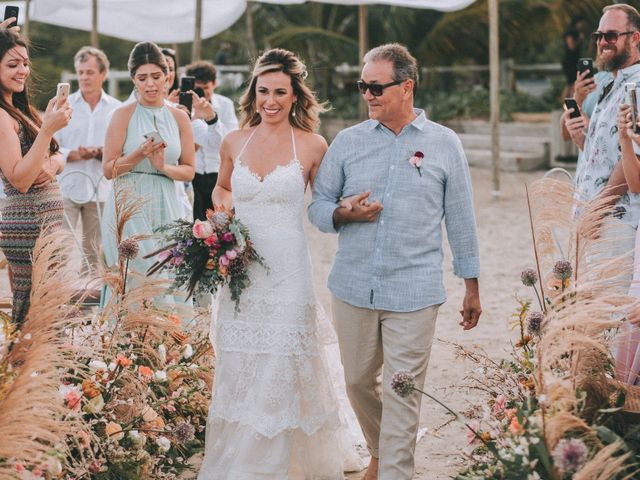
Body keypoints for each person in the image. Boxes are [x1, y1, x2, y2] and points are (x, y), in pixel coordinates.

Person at [308, 43, 482, 480]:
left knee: (403, 391)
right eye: (362, 85)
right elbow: (317, 207)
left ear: (407, 87)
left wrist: (471, 285)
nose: (367, 94)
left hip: (416, 291)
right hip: (352, 286)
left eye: (376, 86)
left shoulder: (444, 144)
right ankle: (380, 452)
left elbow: (461, 219)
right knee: (356, 382)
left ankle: (395, 472)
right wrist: (342, 213)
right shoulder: (347, 142)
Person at [198, 48, 364, 479]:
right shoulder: (235, 140)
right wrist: (222, 219)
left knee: (284, 355)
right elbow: (220, 190)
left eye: (280, 92)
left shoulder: (312, 144)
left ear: (295, 97)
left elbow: (325, 201)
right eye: (263, 91)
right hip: (241, 266)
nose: (270, 100)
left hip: (290, 267)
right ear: (253, 94)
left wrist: (350, 207)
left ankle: (284, 459)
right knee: (244, 356)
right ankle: (246, 457)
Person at [101, 42, 195, 294]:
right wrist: (137, 154)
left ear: (167, 77)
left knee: (167, 279)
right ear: (134, 79)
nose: (150, 84)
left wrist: (163, 166)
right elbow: (108, 170)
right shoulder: (122, 115)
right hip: (129, 202)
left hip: (167, 202)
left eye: (156, 76)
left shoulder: (180, 117)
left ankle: (167, 333)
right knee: (135, 278)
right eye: (143, 78)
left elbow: (189, 170)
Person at [564, 3, 640, 293]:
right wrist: (581, 138)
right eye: (599, 35)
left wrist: (596, 209)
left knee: (609, 322)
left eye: (611, 35)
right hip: (594, 221)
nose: (602, 42)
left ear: (635, 38)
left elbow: (632, 157)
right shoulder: (612, 85)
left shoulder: (637, 88)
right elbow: (605, 157)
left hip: (615, 223)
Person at [0, 26, 72, 326]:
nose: (22, 71)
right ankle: (25, 368)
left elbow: (56, 156)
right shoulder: (1, 115)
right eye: (12, 64)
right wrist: (47, 129)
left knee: (48, 309)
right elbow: (19, 177)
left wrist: (52, 162)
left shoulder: (20, 109)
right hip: (28, 224)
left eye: (25, 63)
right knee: (33, 313)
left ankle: (37, 370)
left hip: (44, 221)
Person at [54, 46, 121, 273]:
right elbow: (51, 146)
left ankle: (89, 305)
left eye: (90, 72)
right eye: (80, 72)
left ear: (103, 74)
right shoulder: (63, 106)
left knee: (93, 254)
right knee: (58, 251)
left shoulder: (117, 110)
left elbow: (122, 148)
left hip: (100, 188)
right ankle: (57, 303)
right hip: (66, 188)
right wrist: (74, 154)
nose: (84, 77)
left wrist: (103, 152)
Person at [183, 60, 238, 221]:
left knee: (220, 224)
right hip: (194, 175)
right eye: (198, 88)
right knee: (195, 224)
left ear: (214, 83)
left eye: (205, 88)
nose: (202, 93)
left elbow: (231, 139)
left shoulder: (225, 105)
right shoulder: (185, 107)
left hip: (219, 173)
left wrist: (211, 118)